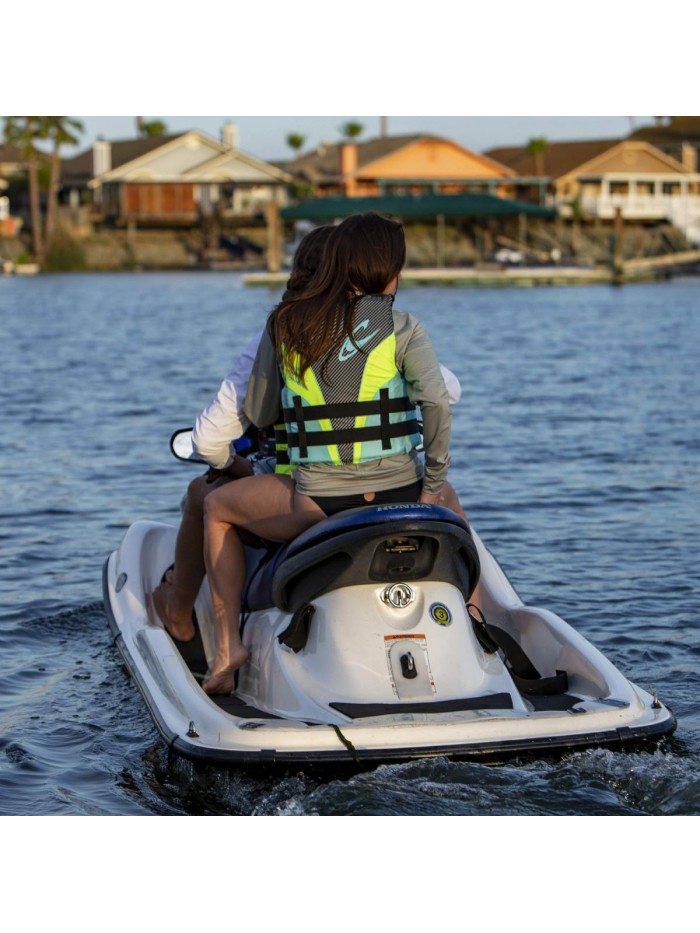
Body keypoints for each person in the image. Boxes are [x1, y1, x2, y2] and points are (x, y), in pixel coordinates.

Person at [200, 212, 457, 694]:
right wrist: (432, 486)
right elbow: (437, 402)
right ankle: (485, 626)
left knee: (215, 508)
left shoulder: (287, 325)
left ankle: (225, 650)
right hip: (399, 491)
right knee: (450, 502)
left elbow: (258, 410)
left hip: (316, 503)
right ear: (391, 272)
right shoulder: (401, 327)